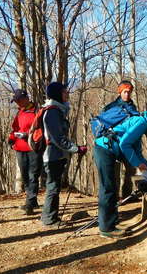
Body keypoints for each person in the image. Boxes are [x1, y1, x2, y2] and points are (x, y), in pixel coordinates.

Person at [93, 111, 147, 238]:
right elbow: (124, 144)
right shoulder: (142, 123)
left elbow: (137, 152)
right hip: (104, 150)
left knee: (111, 187)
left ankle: (110, 222)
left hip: (107, 150)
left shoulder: (141, 125)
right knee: (108, 188)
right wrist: (137, 164)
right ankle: (106, 228)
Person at [40, 82, 87, 226]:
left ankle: (51, 217)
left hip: (56, 155)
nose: (67, 94)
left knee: (54, 186)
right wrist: (76, 149)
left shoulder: (57, 110)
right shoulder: (52, 111)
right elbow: (57, 138)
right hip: (52, 155)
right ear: (57, 94)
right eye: (64, 91)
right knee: (53, 187)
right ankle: (49, 220)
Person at [8, 89, 42, 215]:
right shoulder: (19, 113)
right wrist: (11, 140)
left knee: (33, 175)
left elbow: (41, 130)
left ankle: (30, 202)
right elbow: (14, 128)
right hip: (19, 148)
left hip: (33, 148)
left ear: (26, 98)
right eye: (16, 101)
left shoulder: (37, 111)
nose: (17, 103)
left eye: (18, 100)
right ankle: (32, 200)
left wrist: (27, 135)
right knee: (25, 176)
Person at [102, 80, 138, 199]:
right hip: (114, 143)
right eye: (124, 92)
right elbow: (103, 124)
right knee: (114, 172)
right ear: (120, 92)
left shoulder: (133, 108)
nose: (127, 94)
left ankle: (127, 196)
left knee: (130, 170)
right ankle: (114, 197)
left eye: (129, 92)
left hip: (128, 144)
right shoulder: (110, 107)